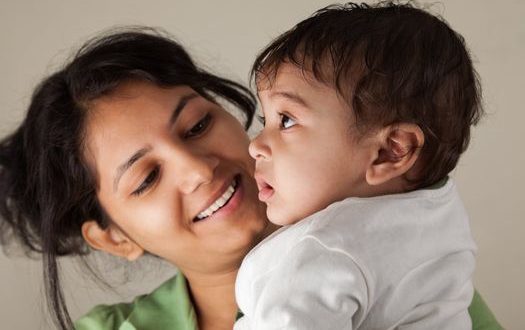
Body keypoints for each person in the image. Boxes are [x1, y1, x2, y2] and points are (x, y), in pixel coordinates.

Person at [0, 28, 502, 330]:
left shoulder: (411, 275)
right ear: (112, 236)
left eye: (198, 125)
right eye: (148, 177)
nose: (199, 168)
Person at [234, 0, 492, 329]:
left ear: (390, 152)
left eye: (286, 120)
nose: (256, 145)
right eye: (265, 120)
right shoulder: (440, 214)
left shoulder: (325, 252)